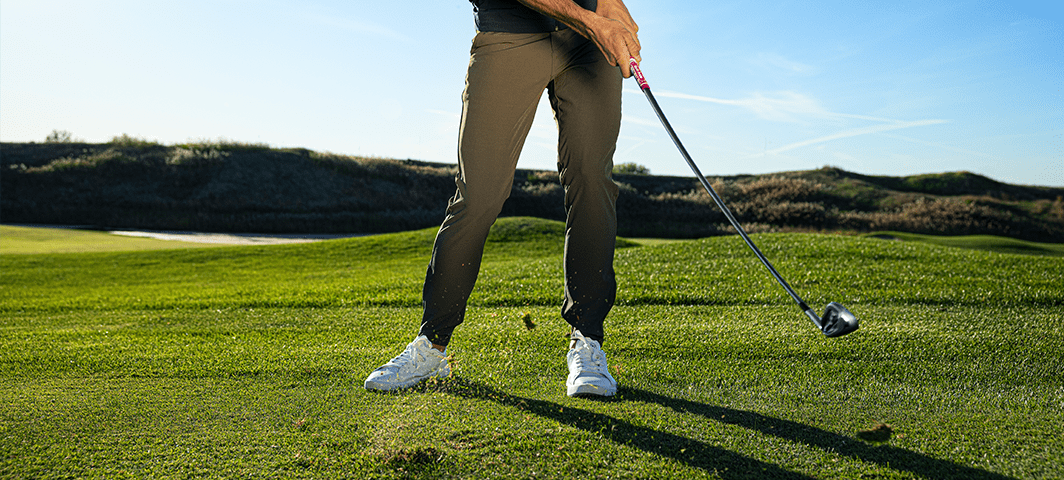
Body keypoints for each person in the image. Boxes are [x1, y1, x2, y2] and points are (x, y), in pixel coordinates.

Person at [364, 0, 641, 397]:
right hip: (511, 32)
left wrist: (612, 9)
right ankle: (432, 346)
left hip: (587, 45)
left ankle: (588, 342)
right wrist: (593, 21)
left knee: (593, 181)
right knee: (479, 194)